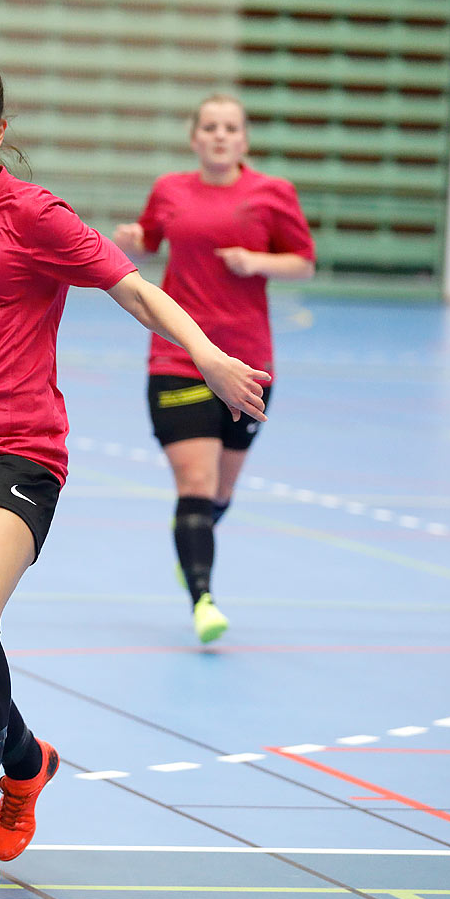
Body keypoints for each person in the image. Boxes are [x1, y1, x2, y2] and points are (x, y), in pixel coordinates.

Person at [0, 0, 270, 897]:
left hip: (18, 446)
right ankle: (27, 758)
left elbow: (134, 290)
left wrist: (207, 355)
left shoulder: (36, 216)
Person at [112, 94, 314, 644]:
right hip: (179, 357)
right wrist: (135, 240)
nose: (220, 136)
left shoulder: (273, 194)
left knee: (219, 494)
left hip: (250, 360)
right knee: (196, 482)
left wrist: (258, 262)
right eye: (210, 127)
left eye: (231, 128)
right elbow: (152, 241)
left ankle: (192, 542)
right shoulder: (171, 190)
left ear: (244, 140)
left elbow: (303, 261)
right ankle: (203, 597)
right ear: (195, 137)